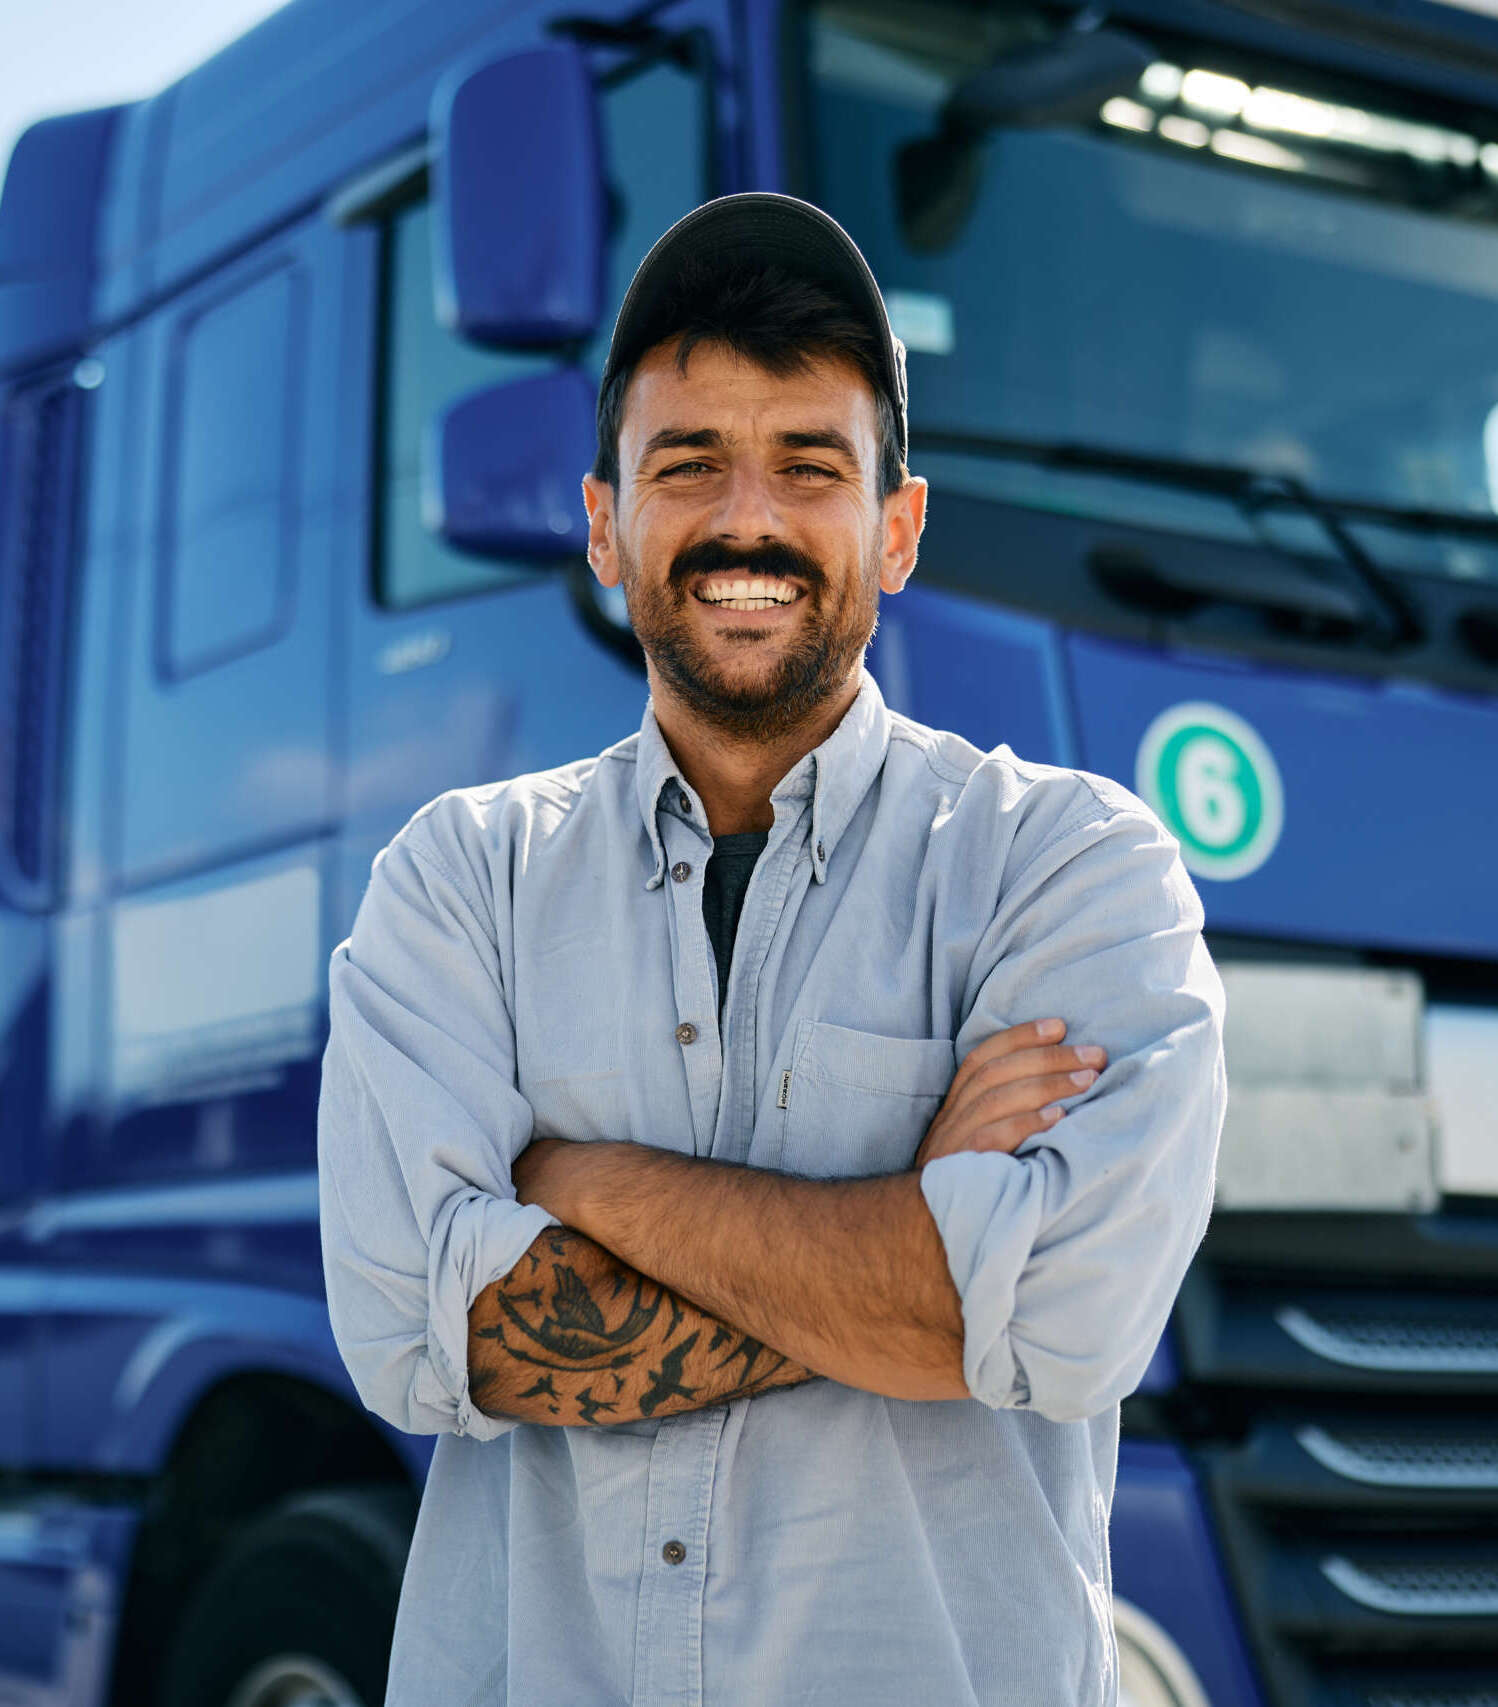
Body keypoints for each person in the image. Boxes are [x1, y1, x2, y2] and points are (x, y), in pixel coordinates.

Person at [317, 192, 1225, 1707]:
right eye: (687, 465)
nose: (747, 520)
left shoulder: (1068, 864)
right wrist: (915, 1253)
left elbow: (1058, 1321)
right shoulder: (459, 880)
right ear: (605, 523)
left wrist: (578, 1182)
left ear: (897, 526)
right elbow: (433, 1337)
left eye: (809, 466)